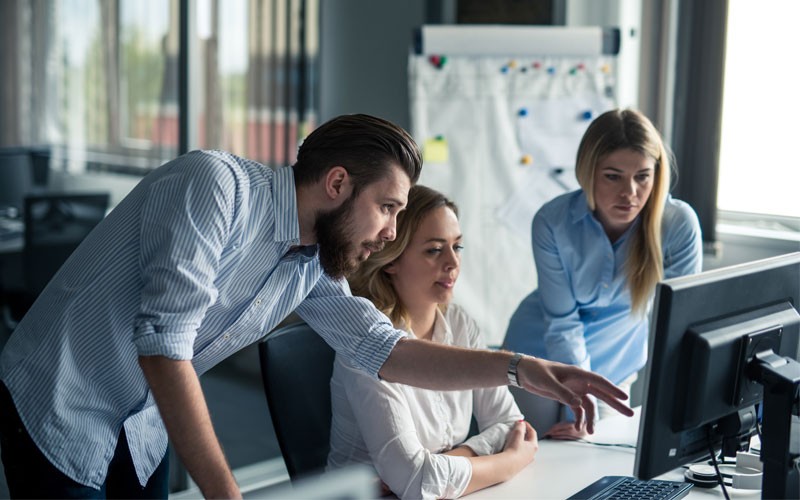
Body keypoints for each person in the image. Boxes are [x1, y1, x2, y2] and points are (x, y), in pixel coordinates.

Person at [0, 114, 632, 499]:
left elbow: (386, 351)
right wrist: (224, 492)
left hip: (143, 420)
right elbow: (165, 346)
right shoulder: (213, 186)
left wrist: (521, 368)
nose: (391, 233)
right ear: (336, 184)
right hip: (61, 398)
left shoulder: (309, 262)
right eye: (387, 208)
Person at [503, 108, 702, 439]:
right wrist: (577, 405)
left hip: (614, 366)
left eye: (642, 176)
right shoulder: (552, 221)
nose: (630, 193)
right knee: (528, 459)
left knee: (594, 464)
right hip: (536, 354)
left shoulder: (677, 224)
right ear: (588, 172)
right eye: (613, 176)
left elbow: (679, 324)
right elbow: (563, 323)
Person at [328, 185, 538, 499]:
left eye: (458, 247)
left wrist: (451, 461)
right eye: (434, 250)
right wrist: (511, 461)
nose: (453, 262)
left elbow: (510, 424)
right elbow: (415, 481)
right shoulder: (366, 342)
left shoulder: (459, 323)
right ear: (391, 260)